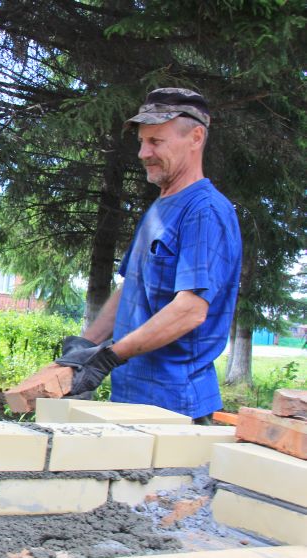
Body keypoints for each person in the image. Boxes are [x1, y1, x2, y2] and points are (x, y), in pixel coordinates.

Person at [54, 88, 242, 422]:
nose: (143, 153)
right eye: (142, 142)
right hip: (131, 399)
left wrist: (107, 357)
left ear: (196, 137)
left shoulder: (205, 211)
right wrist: (85, 346)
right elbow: (131, 290)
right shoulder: (159, 208)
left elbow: (189, 311)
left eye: (156, 141)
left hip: (176, 408)